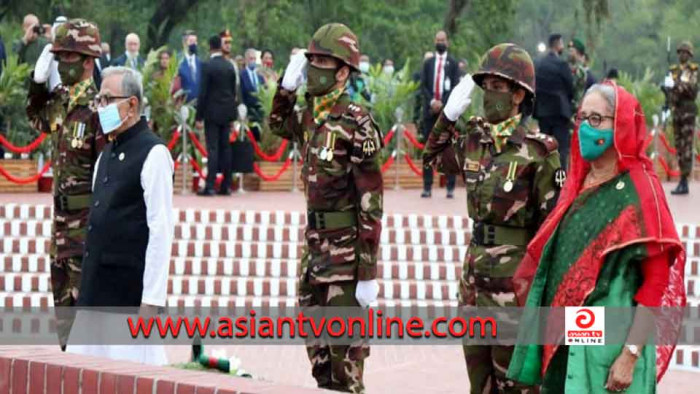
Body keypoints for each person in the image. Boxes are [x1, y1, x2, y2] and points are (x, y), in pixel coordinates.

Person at [508, 82, 686, 393]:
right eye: (581, 118)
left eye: (597, 120)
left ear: (622, 125)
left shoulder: (640, 190)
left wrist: (630, 356)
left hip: (610, 351)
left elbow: (656, 282)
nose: (586, 128)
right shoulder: (579, 182)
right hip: (566, 344)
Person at [422, 43, 563, 393]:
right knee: (479, 381)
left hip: (514, 287)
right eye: (486, 87)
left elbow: (552, 232)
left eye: (497, 88)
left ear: (518, 95)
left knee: (515, 383)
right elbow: (433, 156)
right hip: (475, 281)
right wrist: (449, 116)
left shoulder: (538, 151)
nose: (488, 95)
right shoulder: (475, 139)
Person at [270, 23, 383, 393]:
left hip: (346, 258)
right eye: (312, 60)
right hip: (314, 252)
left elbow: (371, 201)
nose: (314, 68)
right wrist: (285, 90)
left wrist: (367, 273)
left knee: (346, 368)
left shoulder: (356, 122)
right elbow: (275, 125)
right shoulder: (308, 116)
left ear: (343, 72)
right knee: (320, 364)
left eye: (323, 61)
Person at [70, 66, 173, 366]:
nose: (101, 108)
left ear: (132, 105)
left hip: (128, 295)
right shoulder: (105, 155)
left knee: (131, 377)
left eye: (107, 99)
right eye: (98, 100)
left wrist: (152, 300)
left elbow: (161, 230)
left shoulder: (153, 154)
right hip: (95, 292)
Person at [26, 18, 105, 349]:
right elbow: (37, 118)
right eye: (57, 57)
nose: (61, 63)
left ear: (88, 61)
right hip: (60, 230)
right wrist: (38, 83)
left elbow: (108, 172)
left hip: (85, 229)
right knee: (64, 324)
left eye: (67, 57)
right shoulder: (60, 98)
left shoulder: (102, 107)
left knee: (84, 326)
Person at [195, 35, 237, 196]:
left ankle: (210, 185)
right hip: (227, 113)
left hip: (212, 113)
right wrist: (232, 115)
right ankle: (226, 185)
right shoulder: (229, 66)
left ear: (209, 47)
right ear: (220, 46)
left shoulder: (208, 66)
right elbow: (233, 92)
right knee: (226, 148)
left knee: (212, 148)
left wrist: (199, 116)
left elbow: (203, 93)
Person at [419, 30, 460, 198]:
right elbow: (423, 86)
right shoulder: (428, 63)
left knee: (448, 148)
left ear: (447, 42)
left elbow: (455, 87)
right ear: (434, 42)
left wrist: (442, 103)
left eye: (443, 40)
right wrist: (432, 102)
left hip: (447, 112)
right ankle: (427, 187)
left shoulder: (453, 63)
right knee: (429, 150)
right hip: (430, 111)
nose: (440, 42)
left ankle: (450, 187)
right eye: (438, 40)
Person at [534, 33, 575, 168]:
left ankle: (544, 178)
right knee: (561, 149)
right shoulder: (562, 64)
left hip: (543, 111)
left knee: (545, 147)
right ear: (558, 45)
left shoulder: (539, 64)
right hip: (559, 112)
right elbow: (570, 87)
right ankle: (560, 179)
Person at [666, 41, 698, 195]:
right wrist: (667, 88)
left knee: (686, 147)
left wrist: (674, 85)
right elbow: (671, 93)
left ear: (690, 55)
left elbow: (690, 89)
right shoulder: (673, 71)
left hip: (688, 112)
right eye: (680, 52)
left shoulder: (692, 71)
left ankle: (684, 180)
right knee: (679, 146)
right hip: (677, 111)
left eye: (685, 52)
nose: (682, 55)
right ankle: (682, 180)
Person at [240, 48, 265, 138]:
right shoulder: (241, 75)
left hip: (260, 114)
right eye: (251, 59)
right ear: (246, 59)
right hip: (248, 113)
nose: (253, 61)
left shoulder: (260, 76)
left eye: (254, 59)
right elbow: (241, 94)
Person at [568, 38, 597, 107]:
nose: (569, 54)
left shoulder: (586, 75)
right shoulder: (567, 69)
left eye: (572, 51)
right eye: (569, 51)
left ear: (579, 55)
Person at [178, 30, 201, 102]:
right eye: (191, 41)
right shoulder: (177, 62)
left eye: (195, 41)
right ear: (184, 43)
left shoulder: (200, 63)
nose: (194, 44)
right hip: (183, 105)